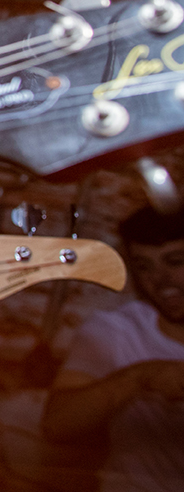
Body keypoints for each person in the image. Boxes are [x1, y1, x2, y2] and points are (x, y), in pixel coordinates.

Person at [42, 206, 184, 492]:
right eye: (144, 266)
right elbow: (57, 424)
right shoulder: (115, 330)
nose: (159, 279)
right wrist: (139, 378)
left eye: (175, 262)